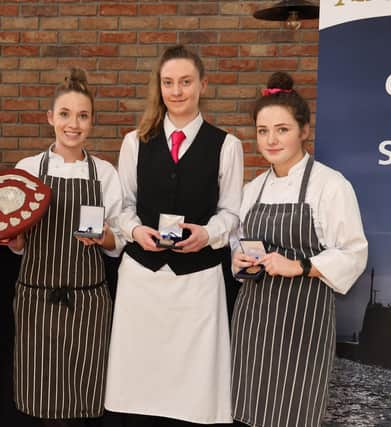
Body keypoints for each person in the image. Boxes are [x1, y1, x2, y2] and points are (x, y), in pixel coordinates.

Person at [105, 45, 243, 426]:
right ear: (159, 86)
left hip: (198, 282)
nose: (177, 91)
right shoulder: (135, 141)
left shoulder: (227, 145)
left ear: (203, 85)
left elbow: (232, 212)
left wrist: (208, 234)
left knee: (194, 390)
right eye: (168, 83)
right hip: (142, 279)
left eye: (185, 82)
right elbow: (123, 206)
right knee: (139, 382)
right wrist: (135, 230)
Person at [230, 72, 368, 427]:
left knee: (293, 414)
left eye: (282, 129)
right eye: (263, 131)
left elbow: (354, 253)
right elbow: (236, 240)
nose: (271, 140)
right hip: (253, 321)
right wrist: (238, 258)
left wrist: (299, 266)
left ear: (304, 130)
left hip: (302, 323)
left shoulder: (330, 185)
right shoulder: (253, 188)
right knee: (247, 412)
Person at [9, 68, 124, 427]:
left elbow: (118, 241)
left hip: (88, 304)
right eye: (65, 114)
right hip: (37, 301)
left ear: (92, 121)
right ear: (50, 118)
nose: (73, 124)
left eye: (83, 115)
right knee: (42, 401)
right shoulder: (27, 169)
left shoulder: (104, 173)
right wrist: (14, 240)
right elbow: (19, 242)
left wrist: (103, 236)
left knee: (82, 399)